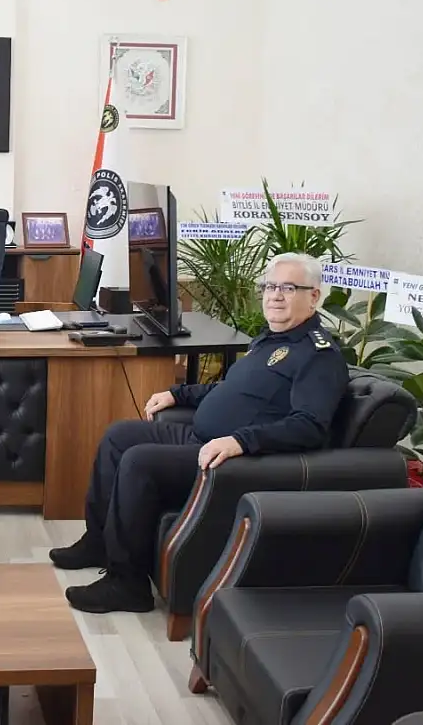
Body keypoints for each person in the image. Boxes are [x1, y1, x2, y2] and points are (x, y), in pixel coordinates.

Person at [50, 252, 349, 614]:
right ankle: (98, 543)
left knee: (139, 461)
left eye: (288, 288)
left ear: (313, 296)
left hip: (229, 461)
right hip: (199, 438)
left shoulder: (318, 356)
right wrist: (178, 394)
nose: (275, 295)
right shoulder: (271, 339)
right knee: (119, 436)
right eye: (270, 286)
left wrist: (241, 441)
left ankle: (127, 584)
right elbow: (230, 391)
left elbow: (309, 425)